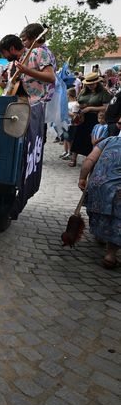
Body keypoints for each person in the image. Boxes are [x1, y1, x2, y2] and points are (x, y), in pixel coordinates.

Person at [78, 133, 121, 269]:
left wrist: (82, 178)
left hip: (99, 184)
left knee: (101, 211)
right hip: (118, 187)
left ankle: (101, 235)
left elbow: (89, 160)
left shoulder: (108, 141)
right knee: (117, 220)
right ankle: (110, 255)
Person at [70, 73, 112, 167]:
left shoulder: (103, 93)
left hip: (95, 118)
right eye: (88, 84)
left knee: (90, 138)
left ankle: (88, 158)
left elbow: (106, 107)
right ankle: (73, 158)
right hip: (82, 117)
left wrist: (90, 108)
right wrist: (79, 106)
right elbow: (78, 101)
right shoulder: (83, 91)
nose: (90, 86)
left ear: (97, 83)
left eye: (92, 84)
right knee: (77, 136)